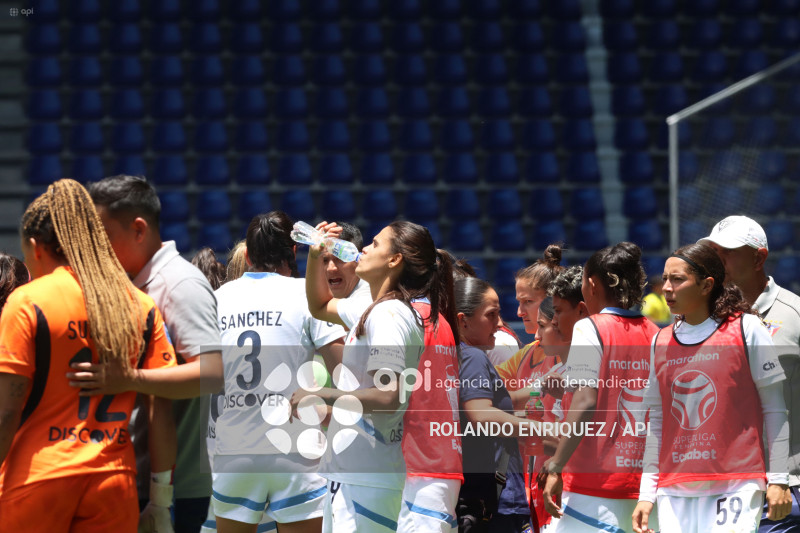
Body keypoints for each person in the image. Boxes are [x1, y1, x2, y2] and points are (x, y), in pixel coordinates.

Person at [0, 179, 177, 532]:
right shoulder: (138, 305)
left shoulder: (28, 301)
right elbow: (161, 409)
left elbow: (6, 411)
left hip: (38, 479)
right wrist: (160, 498)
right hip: (114, 483)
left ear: (36, 247)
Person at [71, 175, 224, 533]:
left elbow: (214, 372)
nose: (97, 249)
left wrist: (128, 378)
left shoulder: (179, 284)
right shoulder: (136, 281)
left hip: (180, 490)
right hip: (141, 479)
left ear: (139, 229)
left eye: (104, 237)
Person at [296, 221, 456, 532]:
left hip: (369, 476)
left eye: (375, 244)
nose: (364, 249)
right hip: (354, 472)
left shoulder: (389, 316)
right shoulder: (372, 309)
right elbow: (319, 306)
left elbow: (388, 396)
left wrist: (325, 394)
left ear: (394, 260)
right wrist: (315, 255)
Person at [632, 243, 791, 532]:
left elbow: (775, 409)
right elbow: (656, 422)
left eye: (678, 279)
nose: (666, 288)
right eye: (665, 278)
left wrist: (779, 478)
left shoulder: (747, 328)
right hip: (673, 491)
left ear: (707, 285)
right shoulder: (660, 340)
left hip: (737, 484)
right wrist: (647, 494)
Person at [210, 212, 345, 533]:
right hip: (295, 450)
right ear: (294, 252)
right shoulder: (306, 296)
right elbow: (345, 373)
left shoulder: (217, 299)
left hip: (234, 451)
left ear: (247, 255)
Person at [542, 242, 660, 532]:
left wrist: (556, 465)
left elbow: (585, 401)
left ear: (591, 285)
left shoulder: (589, 327)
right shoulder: (657, 333)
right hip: (644, 492)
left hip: (593, 490)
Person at [698, 215, 800, 532]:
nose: (718, 261)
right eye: (713, 253)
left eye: (727, 252)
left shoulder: (794, 316)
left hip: (785, 488)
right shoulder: (699, 322)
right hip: (719, 491)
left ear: (759, 258)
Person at [455, 277, 534, 532]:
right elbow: (481, 413)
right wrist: (539, 429)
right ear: (462, 320)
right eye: (492, 315)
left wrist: (537, 389)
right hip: (495, 500)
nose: (500, 324)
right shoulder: (473, 357)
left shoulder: (455, 355)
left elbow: (493, 403)